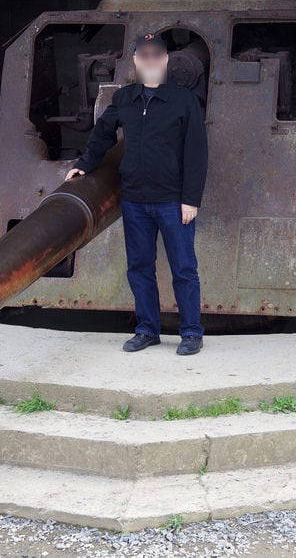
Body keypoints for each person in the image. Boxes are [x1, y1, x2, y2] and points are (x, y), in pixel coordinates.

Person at [65, 33, 209, 355]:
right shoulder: (125, 99)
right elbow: (102, 134)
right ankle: (147, 330)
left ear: (166, 60)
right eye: (144, 56)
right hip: (136, 201)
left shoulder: (184, 100)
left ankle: (191, 333)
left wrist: (191, 199)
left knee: (183, 268)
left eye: (156, 55)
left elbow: (197, 153)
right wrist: (84, 165)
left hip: (173, 202)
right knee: (139, 267)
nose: (150, 61)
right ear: (135, 61)